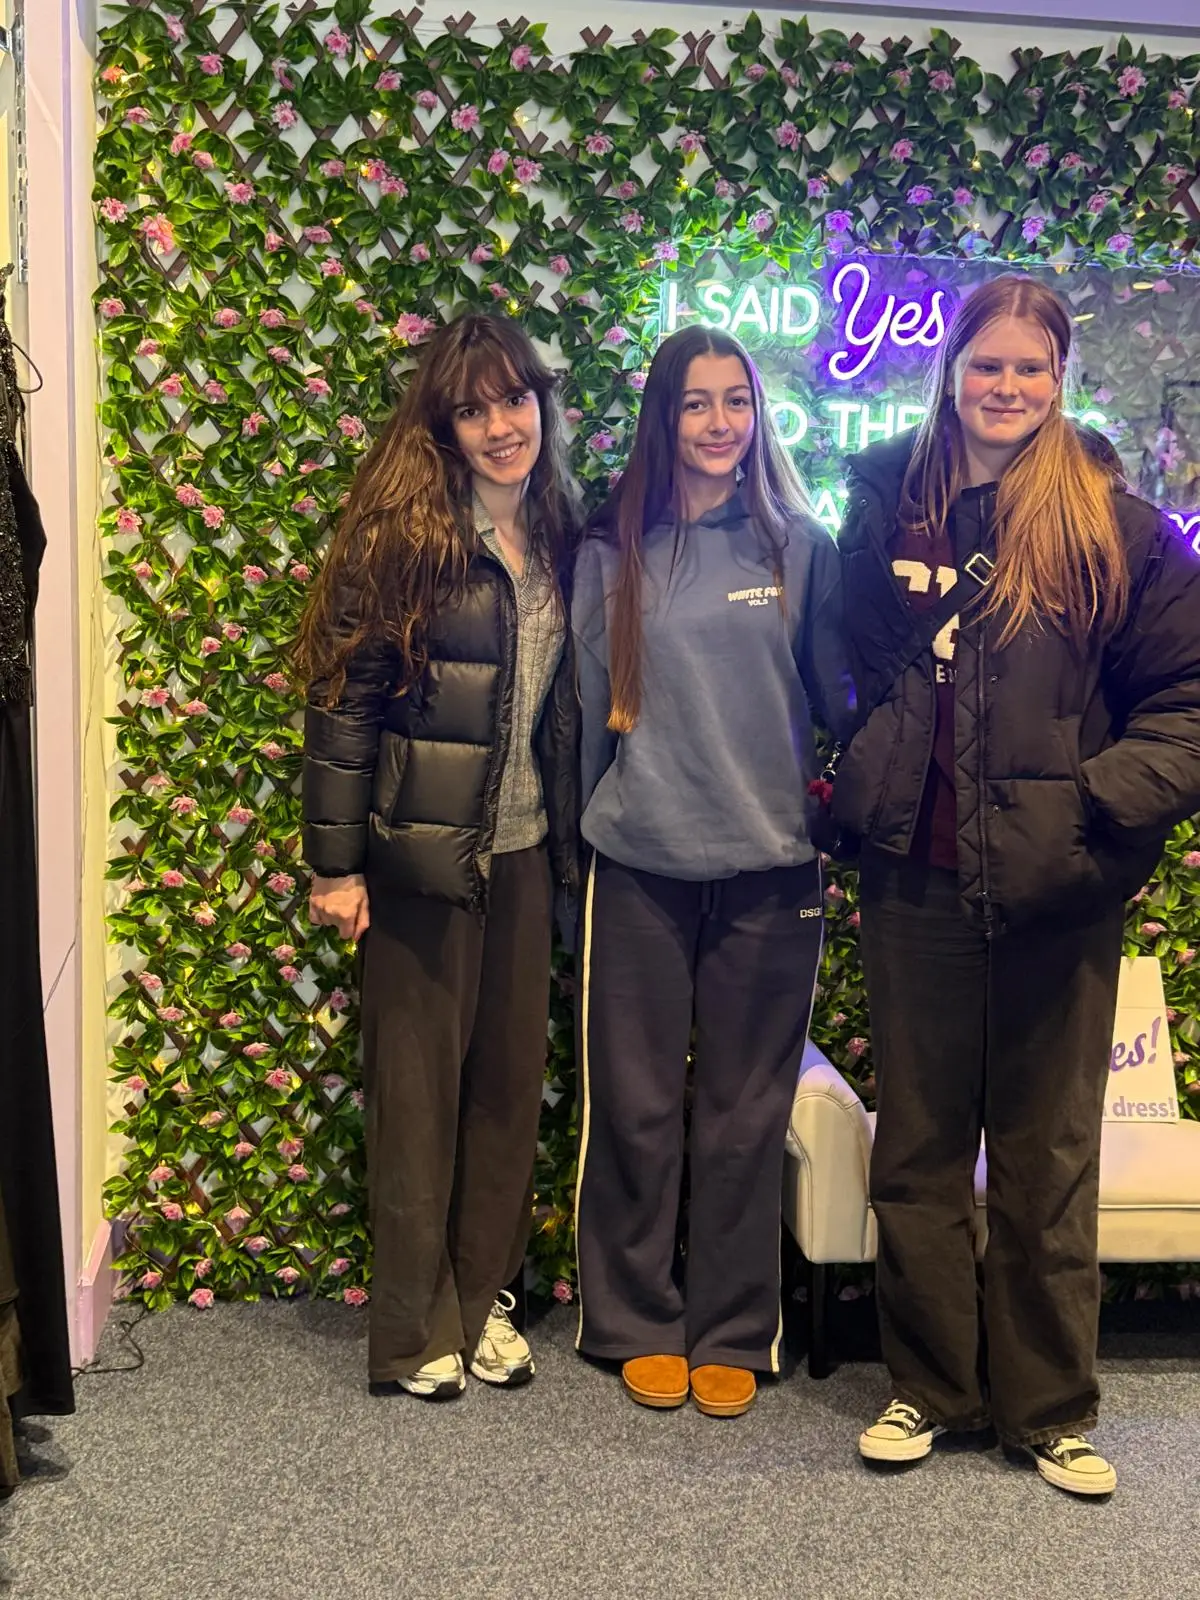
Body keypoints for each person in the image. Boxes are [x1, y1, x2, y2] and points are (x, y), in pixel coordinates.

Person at [832, 273, 1200, 1495]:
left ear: (1059, 378)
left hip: (1057, 887)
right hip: (916, 878)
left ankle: (1047, 1410)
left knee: (1047, 1159)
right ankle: (929, 1388)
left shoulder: (1115, 528)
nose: (1006, 387)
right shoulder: (888, 505)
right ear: (952, 371)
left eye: (1029, 368)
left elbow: (1186, 704)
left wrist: (1090, 808)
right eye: (986, 365)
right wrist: (865, 775)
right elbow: (847, 671)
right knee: (920, 1151)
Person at [571, 325, 856, 1418]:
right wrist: (578, 864)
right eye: (696, 402)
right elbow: (586, 725)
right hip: (637, 865)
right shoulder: (613, 553)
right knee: (635, 1105)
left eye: (737, 400)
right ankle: (634, 1317)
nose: (719, 422)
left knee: (745, 1111)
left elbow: (841, 706)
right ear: (664, 416)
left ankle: (735, 1326)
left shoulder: (800, 547)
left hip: (771, 873)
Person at [297, 313, 580, 1400]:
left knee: (507, 1093)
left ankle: (482, 1302)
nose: (501, 426)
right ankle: (414, 1330)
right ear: (443, 427)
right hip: (419, 863)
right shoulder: (402, 537)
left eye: (514, 400)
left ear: (541, 404)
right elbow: (343, 703)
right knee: (416, 1101)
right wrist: (335, 866)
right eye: (473, 409)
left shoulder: (559, 530)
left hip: (525, 856)